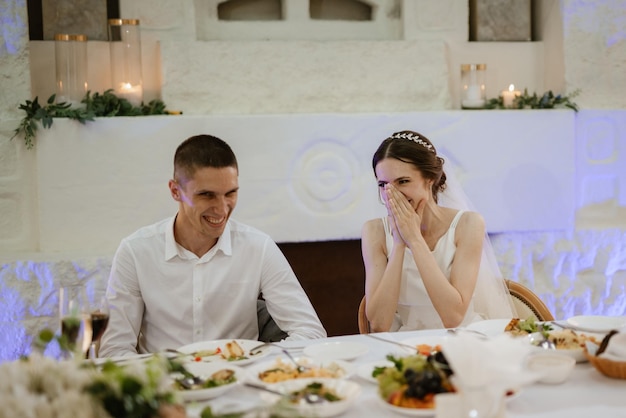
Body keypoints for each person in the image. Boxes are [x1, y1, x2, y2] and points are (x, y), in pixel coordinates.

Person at [99, 134, 327, 357]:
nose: (222, 208)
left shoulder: (259, 247)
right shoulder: (135, 251)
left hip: (241, 381)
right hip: (163, 385)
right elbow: (114, 350)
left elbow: (311, 332)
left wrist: (257, 362)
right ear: (175, 190)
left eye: (230, 193)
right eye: (207, 195)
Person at [361, 130, 515, 332]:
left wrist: (414, 240)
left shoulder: (468, 224)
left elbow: (453, 318)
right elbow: (379, 324)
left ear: (429, 179)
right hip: (406, 344)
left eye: (403, 181)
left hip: (463, 339)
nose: (392, 194)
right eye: (383, 185)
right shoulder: (374, 231)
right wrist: (399, 244)